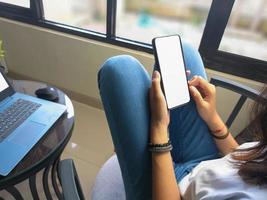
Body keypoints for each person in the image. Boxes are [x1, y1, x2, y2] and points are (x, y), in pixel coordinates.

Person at [97, 43, 267, 200]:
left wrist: (159, 127)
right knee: (182, 52)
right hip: (209, 163)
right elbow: (245, 161)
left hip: (173, 193)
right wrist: (212, 117)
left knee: (119, 69)